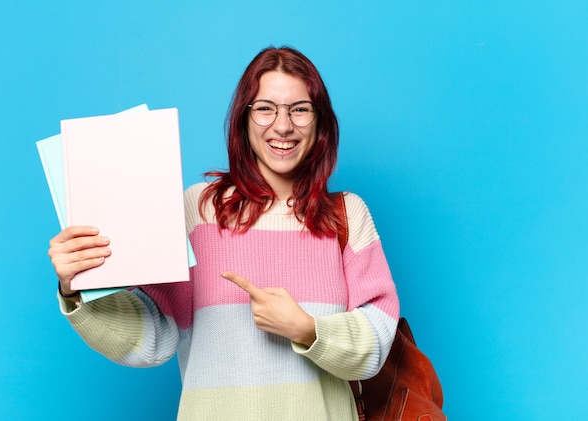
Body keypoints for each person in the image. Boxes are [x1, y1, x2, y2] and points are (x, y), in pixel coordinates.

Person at [48, 46, 400, 420]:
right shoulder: (198, 211)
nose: (283, 125)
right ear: (243, 120)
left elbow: (376, 344)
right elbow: (152, 337)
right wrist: (77, 288)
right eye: (265, 108)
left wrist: (305, 328)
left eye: (299, 109)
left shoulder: (345, 215)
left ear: (320, 123)